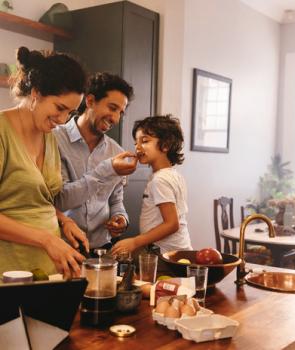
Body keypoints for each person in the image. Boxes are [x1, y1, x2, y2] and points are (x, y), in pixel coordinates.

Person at [0, 46, 89, 278]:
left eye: (70, 113)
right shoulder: (2, 131)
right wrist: (46, 239)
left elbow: (36, 199)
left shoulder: (49, 136)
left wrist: (63, 221)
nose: (62, 120)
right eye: (59, 108)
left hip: (47, 270)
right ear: (36, 92)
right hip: (8, 271)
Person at [54, 72, 137, 251]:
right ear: (90, 101)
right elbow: (59, 200)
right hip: (63, 248)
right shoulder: (54, 140)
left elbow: (115, 201)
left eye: (120, 113)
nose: (115, 118)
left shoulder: (117, 151)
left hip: (102, 249)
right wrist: (107, 169)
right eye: (112, 108)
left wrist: (121, 218)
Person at [111, 115, 192, 255]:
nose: (137, 147)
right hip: (176, 252)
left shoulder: (160, 180)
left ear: (166, 145)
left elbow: (172, 224)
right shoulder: (172, 175)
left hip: (165, 255)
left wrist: (135, 242)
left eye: (145, 141)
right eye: (136, 142)